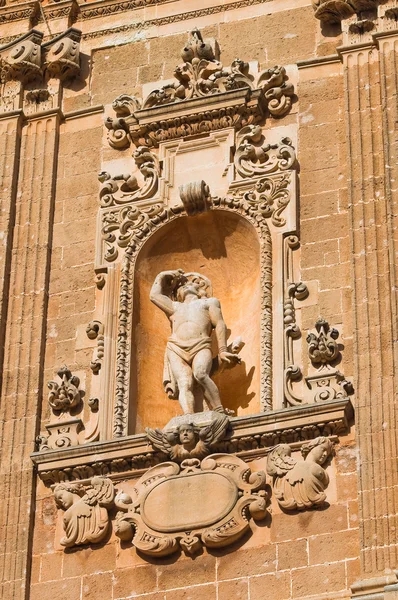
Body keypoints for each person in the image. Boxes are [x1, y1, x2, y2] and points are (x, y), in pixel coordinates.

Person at [150, 269, 239, 414]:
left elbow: (220, 324)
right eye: (180, 287)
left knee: (201, 373)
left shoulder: (209, 302)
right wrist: (161, 276)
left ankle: (219, 410)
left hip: (201, 344)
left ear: (199, 289)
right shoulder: (174, 306)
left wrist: (222, 351)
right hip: (176, 347)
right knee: (184, 383)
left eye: (189, 284)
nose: (185, 286)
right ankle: (188, 417)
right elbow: (154, 296)